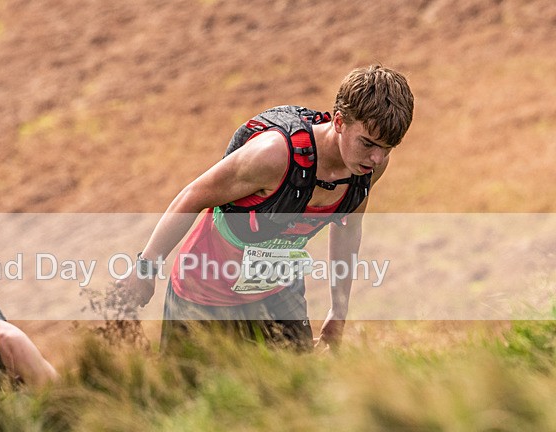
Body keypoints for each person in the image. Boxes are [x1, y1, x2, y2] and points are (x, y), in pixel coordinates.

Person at [120, 65, 414, 351]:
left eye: (388, 147)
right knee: (187, 392)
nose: (377, 157)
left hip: (279, 293)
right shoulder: (274, 156)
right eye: (368, 143)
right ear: (339, 122)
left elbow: (349, 228)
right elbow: (191, 198)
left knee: (296, 390)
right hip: (204, 291)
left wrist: (338, 312)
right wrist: (145, 268)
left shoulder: (369, 168)